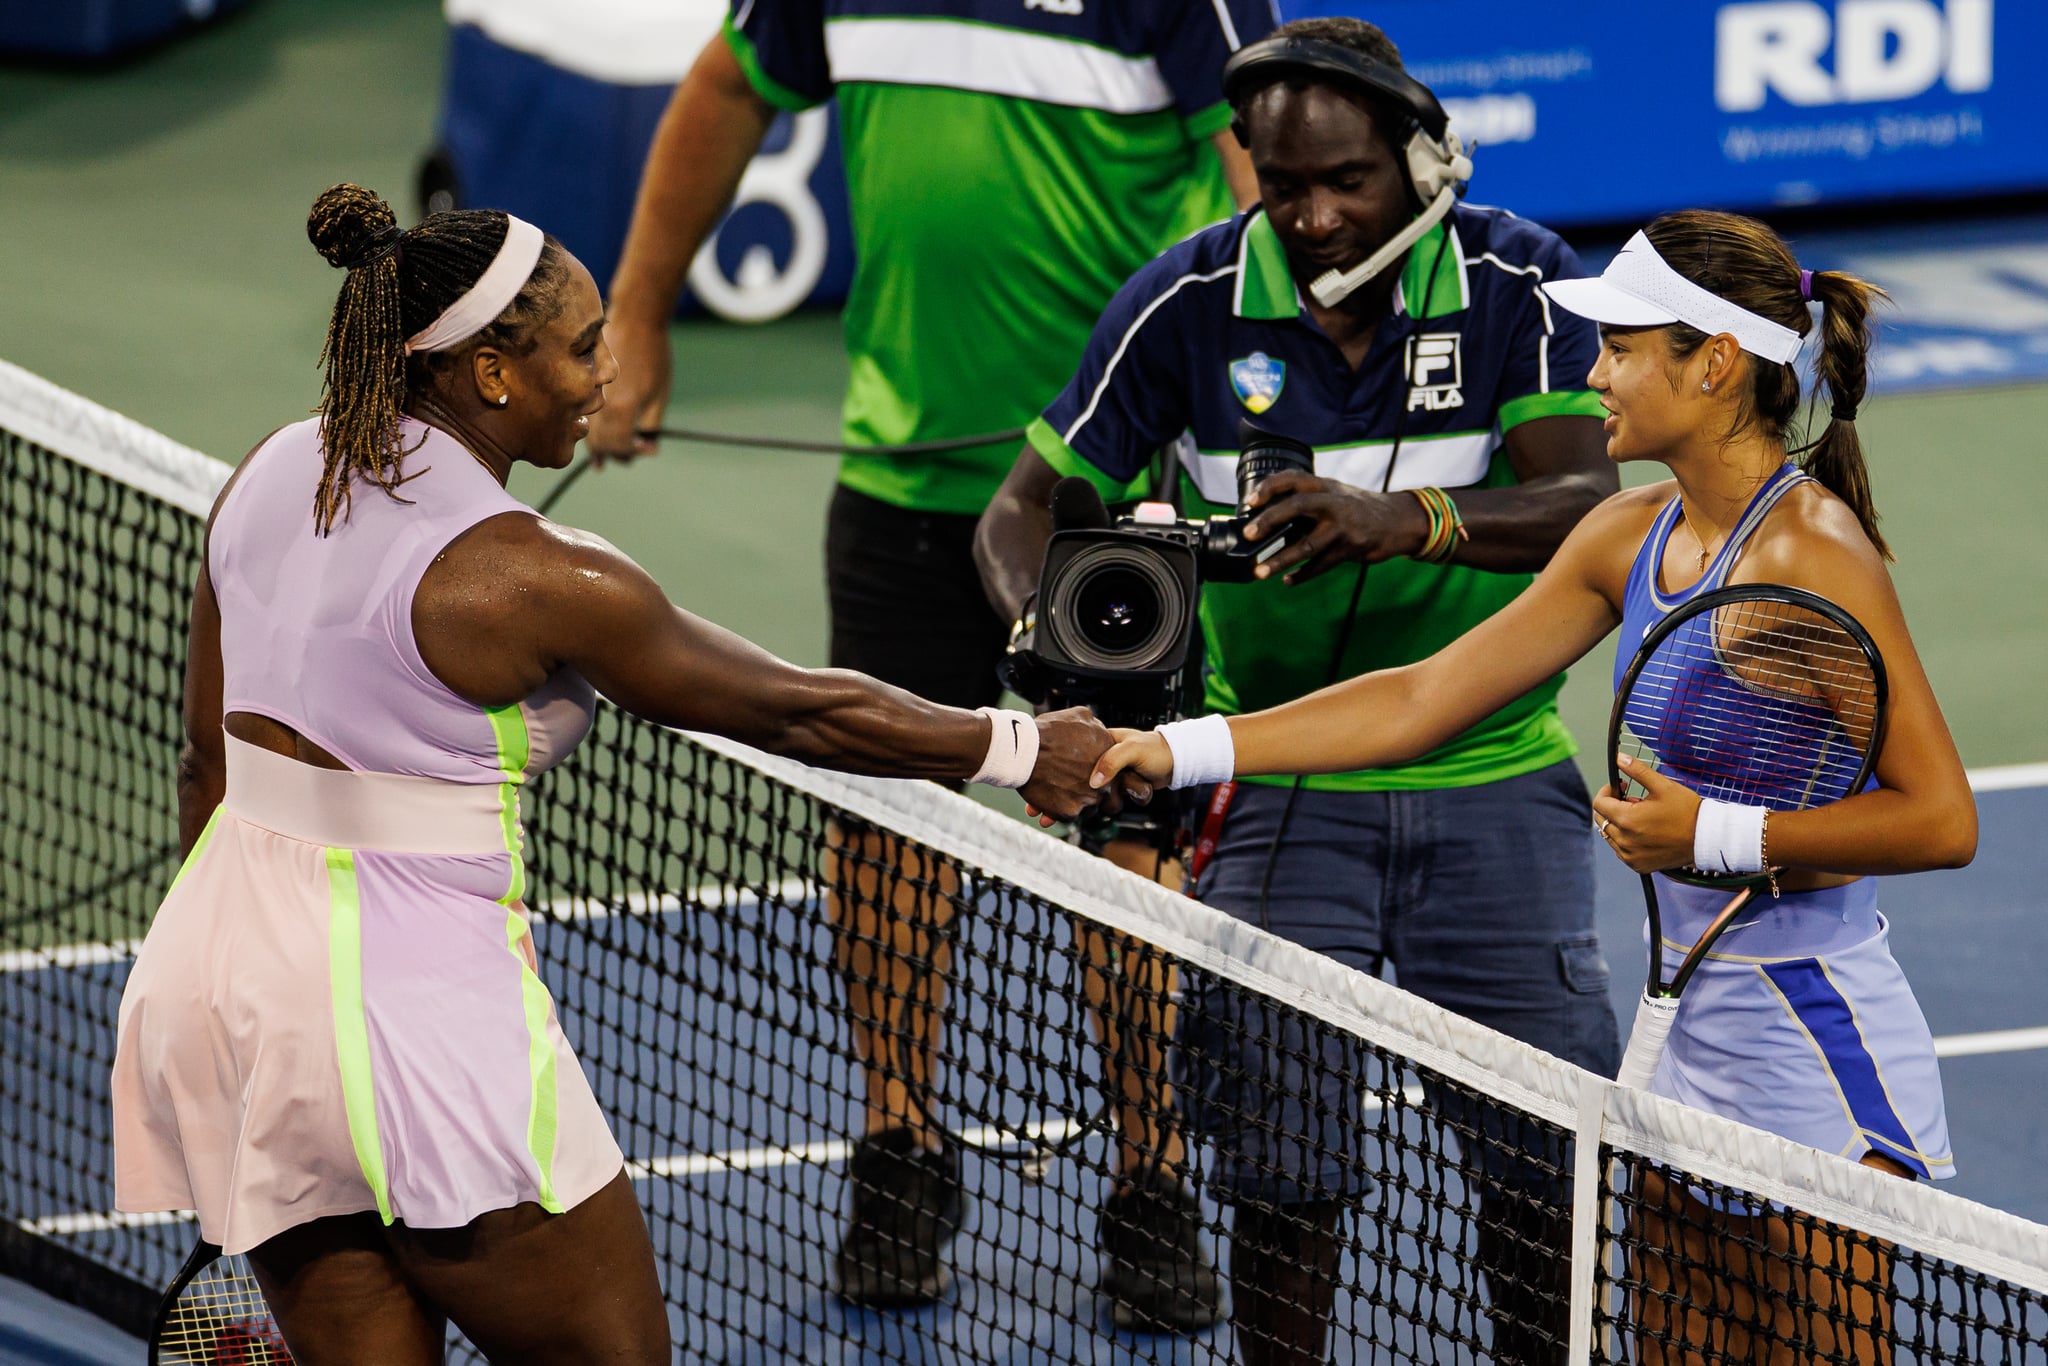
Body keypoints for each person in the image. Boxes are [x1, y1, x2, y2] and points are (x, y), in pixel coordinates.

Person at [108, 185, 1114, 1364]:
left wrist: (253, 996)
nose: (607, 368)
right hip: (411, 1029)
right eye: (584, 345)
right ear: (491, 371)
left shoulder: (271, 469)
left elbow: (205, 765)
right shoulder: (540, 578)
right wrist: (1019, 748)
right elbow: (797, 709)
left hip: (218, 987)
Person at [1090, 208, 1975, 1364]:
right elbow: (1417, 696)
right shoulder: (1626, 534)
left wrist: (1708, 833)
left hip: (1812, 1036)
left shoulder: (1808, 556)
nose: (1591, 374)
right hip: (1690, 1029)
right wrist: (1189, 747)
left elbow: (1938, 817)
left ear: (1711, 363)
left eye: (1618, 349)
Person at [587, 0, 1278, 1327]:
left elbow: (1262, 169)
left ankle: (1153, 1172)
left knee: (1129, 831)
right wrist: (642, 311)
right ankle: (900, 1143)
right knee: (887, 819)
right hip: (904, 474)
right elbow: (729, 92)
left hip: (1105, 491)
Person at [977, 18, 1619, 1364]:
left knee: (1540, 1165)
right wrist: (1056, 648)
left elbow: (1584, 501)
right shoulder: (1187, 302)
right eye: (1286, 185)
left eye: (1350, 182)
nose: (1320, 216)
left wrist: (1412, 516)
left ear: (1421, 160)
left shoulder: (1519, 280)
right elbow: (1022, 509)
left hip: (1494, 776)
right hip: (1271, 783)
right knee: (1280, 1168)